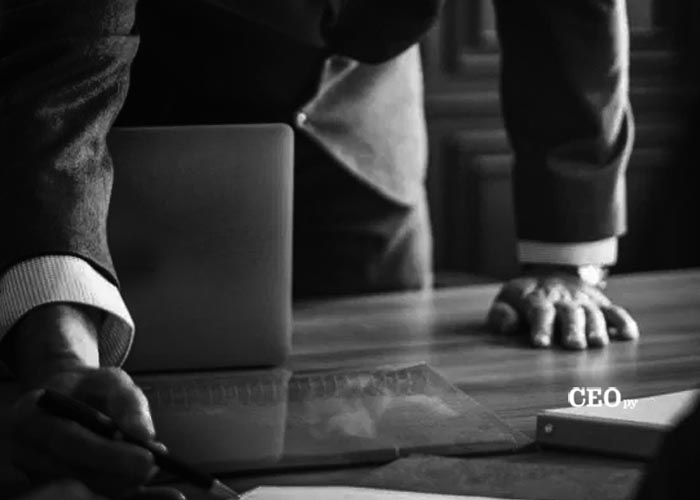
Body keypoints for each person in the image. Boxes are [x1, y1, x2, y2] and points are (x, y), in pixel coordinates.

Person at [0, 0, 638, 497]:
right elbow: (64, 59)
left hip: (365, 110)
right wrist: (61, 350)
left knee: (391, 416)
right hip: (151, 115)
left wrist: (564, 261)